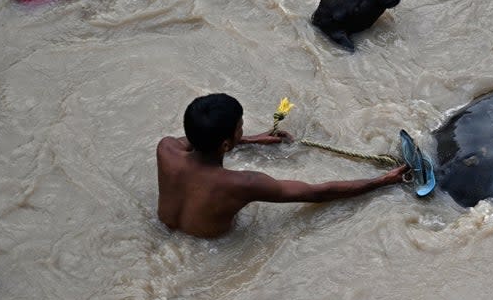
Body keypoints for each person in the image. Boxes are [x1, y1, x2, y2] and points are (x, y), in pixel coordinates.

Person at [157, 93, 408, 238]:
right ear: (224, 144)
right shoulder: (242, 184)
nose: (242, 130)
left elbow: (194, 141)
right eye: (240, 128)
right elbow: (316, 193)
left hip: (165, 230)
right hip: (214, 246)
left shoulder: (166, 149)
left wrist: (252, 140)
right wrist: (382, 181)